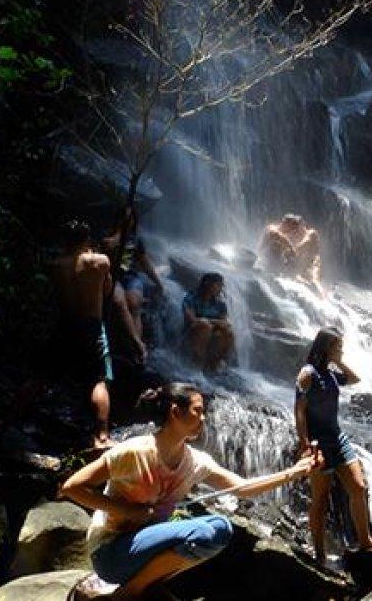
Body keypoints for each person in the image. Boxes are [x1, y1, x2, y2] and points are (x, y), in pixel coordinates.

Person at [60, 382, 317, 600]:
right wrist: (126, 510)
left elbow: (243, 488)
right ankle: (128, 594)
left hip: (144, 551)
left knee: (218, 529)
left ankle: (146, 586)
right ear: (175, 412)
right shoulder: (133, 451)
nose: (204, 419)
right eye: (198, 411)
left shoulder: (195, 461)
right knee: (210, 528)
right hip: (110, 553)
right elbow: (72, 487)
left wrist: (292, 473)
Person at [294, 327, 372, 563]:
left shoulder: (330, 373)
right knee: (321, 498)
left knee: (358, 487)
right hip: (319, 443)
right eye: (338, 346)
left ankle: (365, 539)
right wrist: (305, 444)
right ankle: (319, 552)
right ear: (327, 347)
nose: (342, 350)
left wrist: (339, 361)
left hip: (338, 438)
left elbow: (355, 378)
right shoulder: (308, 373)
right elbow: (299, 411)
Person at [53, 220, 115, 449]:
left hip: (65, 324)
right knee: (99, 381)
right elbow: (107, 291)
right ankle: (101, 437)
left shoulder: (57, 264)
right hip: (91, 326)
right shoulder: (99, 262)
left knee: (40, 377)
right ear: (87, 239)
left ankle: (4, 423)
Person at [102, 205, 164, 364]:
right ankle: (137, 344)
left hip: (131, 277)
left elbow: (145, 263)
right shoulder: (108, 234)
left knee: (134, 303)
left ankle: (137, 350)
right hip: (111, 276)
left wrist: (158, 283)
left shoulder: (136, 239)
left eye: (131, 218)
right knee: (118, 302)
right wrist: (120, 235)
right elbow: (106, 246)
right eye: (125, 218)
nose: (128, 221)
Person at [182, 272, 234, 372]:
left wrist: (209, 321)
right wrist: (212, 322)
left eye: (221, 285)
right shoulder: (191, 298)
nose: (220, 288)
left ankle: (214, 364)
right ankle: (197, 365)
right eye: (218, 285)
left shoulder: (220, 305)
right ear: (207, 284)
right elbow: (192, 320)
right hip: (191, 335)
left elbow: (225, 323)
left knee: (228, 332)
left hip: (213, 337)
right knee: (205, 327)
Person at [260, 214, 323, 291]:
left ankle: (314, 285)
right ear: (283, 223)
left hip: (307, 266)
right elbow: (275, 235)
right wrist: (291, 248)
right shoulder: (272, 228)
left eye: (294, 229)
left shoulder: (311, 234)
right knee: (276, 247)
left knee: (313, 276)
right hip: (267, 260)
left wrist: (293, 251)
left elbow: (307, 241)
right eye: (290, 228)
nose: (292, 232)